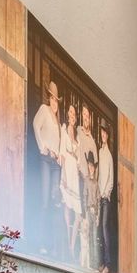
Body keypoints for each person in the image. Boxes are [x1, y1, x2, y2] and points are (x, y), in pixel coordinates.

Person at [31, 80, 61, 253]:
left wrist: (58, 154)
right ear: (49, 98)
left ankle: (52, 245)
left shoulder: (57, 121)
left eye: (57, 100)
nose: (55, 103)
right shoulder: (44, 109)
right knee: (44, 200)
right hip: (45, 159)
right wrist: (43, 147)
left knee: (54, 201)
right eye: (53, 99)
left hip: (55, 163)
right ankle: (40, 243)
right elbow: (35, 125)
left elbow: (58, 143)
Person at [58, 103, 83, 260]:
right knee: (67, 207)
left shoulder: (77, 137)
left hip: (75, 173)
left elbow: (79, 160)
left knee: (78, 213)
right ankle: (67, 245)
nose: (72, 115)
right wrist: (65, 176)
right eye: (71, 112)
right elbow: (62, 152)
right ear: (67, 114)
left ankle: (72, 246)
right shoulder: (64, 129)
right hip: (67, 170)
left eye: (74, 113)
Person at [97, 120, 115, 273]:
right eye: (101, 132)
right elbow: (99, 175)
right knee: (99, 230)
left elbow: (111, 178)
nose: (103, 135)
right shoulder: (100, 152)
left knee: (104, 228)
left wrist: (106, 192)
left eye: (105, 133)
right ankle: (102, 262)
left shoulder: (108, 155)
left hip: (106, 198)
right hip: (99, 196)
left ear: (108, 136)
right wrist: (99, 191)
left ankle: (108, 264)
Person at [80, 150, 100, 270]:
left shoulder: (96, 183)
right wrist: (85, 212)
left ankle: (94, 264)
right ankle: (86, 263)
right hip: (88, 211)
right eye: (89, 166)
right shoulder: (86, 180)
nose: (90, 168)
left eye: (92, 166)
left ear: (94, 168)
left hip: (94, 212)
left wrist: (97, 215)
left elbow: (98, 199)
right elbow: (84, 196)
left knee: (94, 237)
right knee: (87, 237)